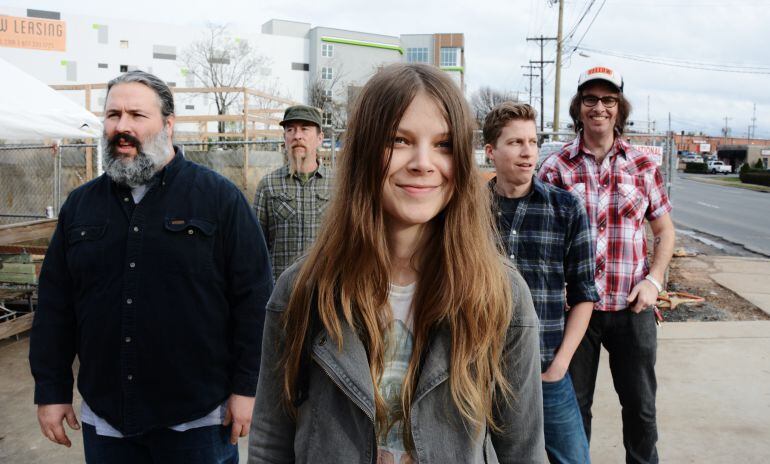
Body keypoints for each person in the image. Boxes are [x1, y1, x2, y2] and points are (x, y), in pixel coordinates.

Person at [248, 63, 545, 463]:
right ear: (364, 152)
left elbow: (524, 451)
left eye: (442, 144)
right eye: (399, 140)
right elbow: (270, 441)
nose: (423, 162)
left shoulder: (500, 295)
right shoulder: (301, 290)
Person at [29, 70, 273, 463]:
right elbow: (56, 305)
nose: (121, 127)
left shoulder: (219, 200)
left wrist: (248, 389)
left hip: (196, 423)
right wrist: (51, 389)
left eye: (136, 116)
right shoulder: (81, 206)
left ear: (168, 125)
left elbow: (255, 300)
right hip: (107, 423)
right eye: (113, 115)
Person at [538, 66, 675, 464]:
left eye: (608, 100)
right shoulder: (556, 168)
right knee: (573, 411)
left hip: (633, 309)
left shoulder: (642, 166)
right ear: (579, 108)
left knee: (641, 410)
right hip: (576, 313)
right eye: (591, 99)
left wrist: (653, 280)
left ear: (619, 108)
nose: (599, 107)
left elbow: (665, 232)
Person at [484, 101, 599, 464]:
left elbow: (584, 294)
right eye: (516, 142)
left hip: (545, 369)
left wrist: (561, 363)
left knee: (574, 458)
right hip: (481, 372)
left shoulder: (566, 209)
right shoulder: (466, 212)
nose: (528, 151)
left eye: (533, 142)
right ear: (491, 151)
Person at [253, 105, 333, 282]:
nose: (297, 135)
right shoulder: (268, 186)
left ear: (320, 138)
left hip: (325, 290)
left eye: (305, 128)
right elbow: (255, 248)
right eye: (291, 129)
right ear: (285, 138)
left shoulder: (338, 186)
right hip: (280, 295)